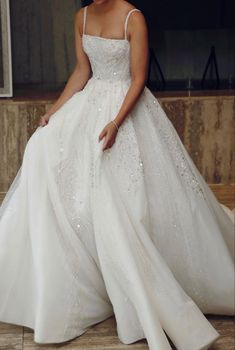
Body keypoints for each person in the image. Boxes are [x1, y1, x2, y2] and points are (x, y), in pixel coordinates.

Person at [0, 0, 234, 349]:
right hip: (90, 105)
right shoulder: (81, 16)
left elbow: (138, 79)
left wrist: (115, 123)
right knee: (42, 149)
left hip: (126, 109)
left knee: (124, 199)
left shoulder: (133, 18)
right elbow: (82, 71)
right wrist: (54, 110)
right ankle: (82, 276)